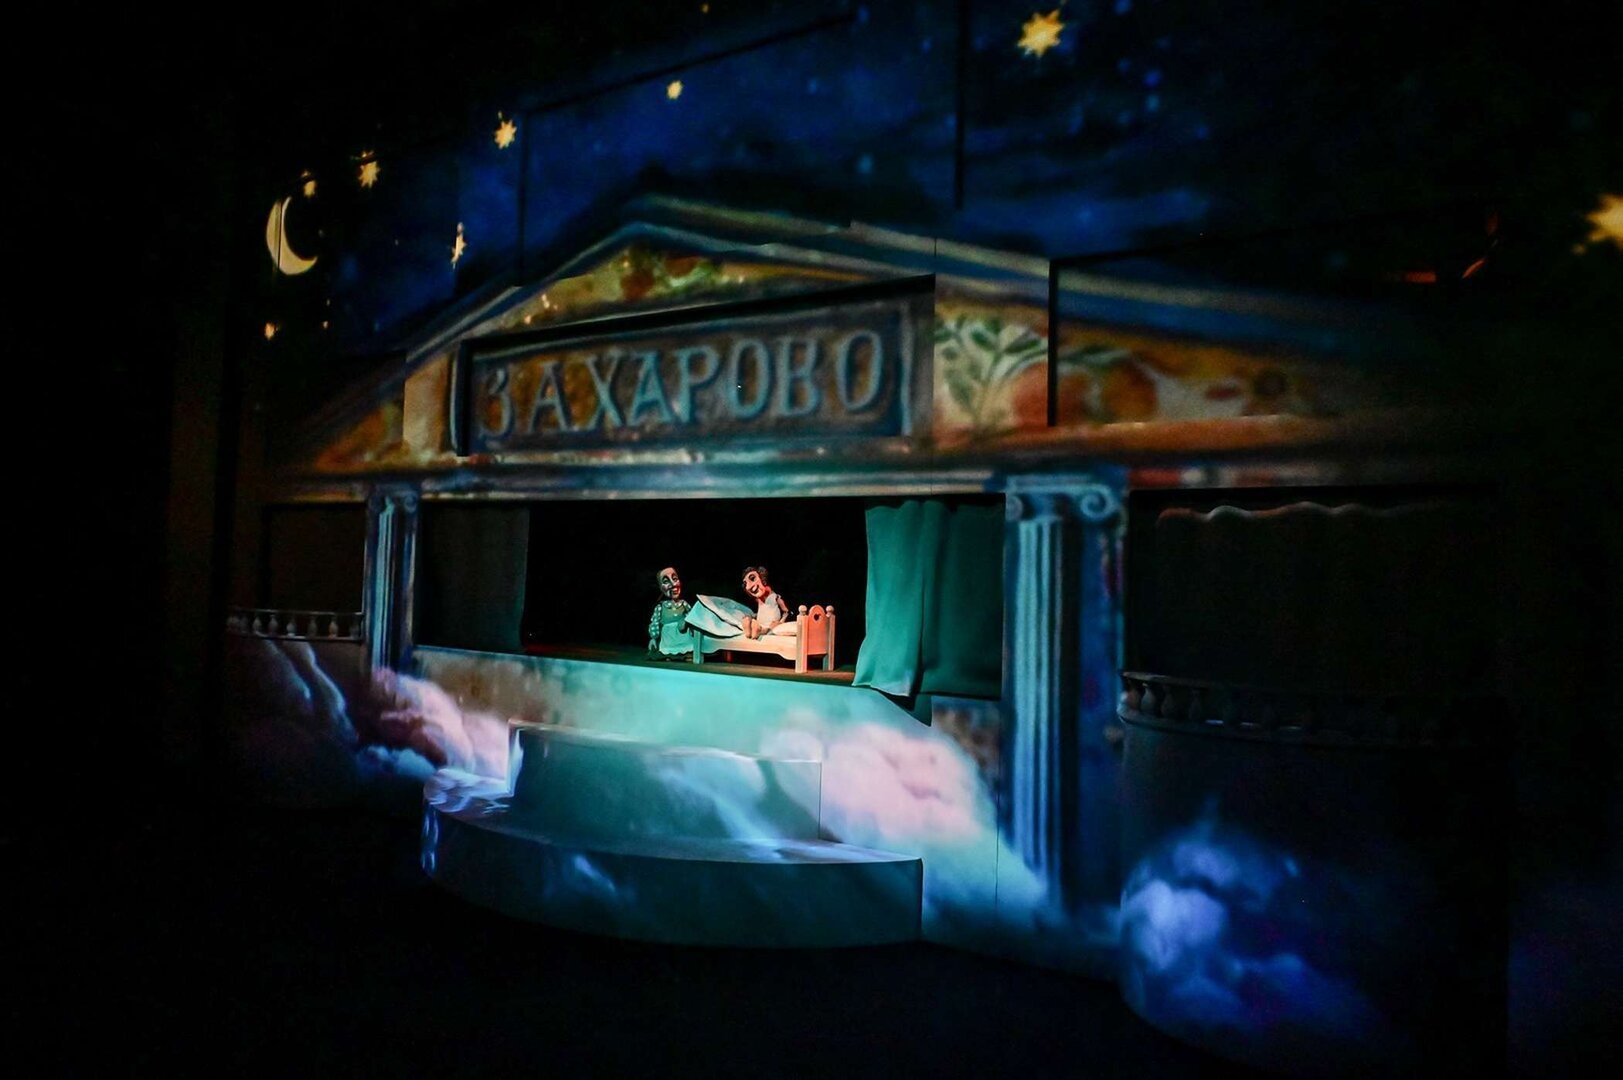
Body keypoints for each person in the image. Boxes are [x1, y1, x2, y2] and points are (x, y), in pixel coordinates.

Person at [646, 566, 694, 658]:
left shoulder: (684, 604)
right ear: (661, 587)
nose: (673, 584)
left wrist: (686, 622)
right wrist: (653, 638)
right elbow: (655, 623)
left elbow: (693, 618)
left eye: (675, 579)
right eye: (666, 581)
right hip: (667, 641)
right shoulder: (661, 607)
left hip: (683, 639)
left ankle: (685, 654)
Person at [739, 566, 792, 640]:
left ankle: (757, 630)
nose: (748, 587)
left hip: (770, 626)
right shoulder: (758, 600)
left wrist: (781, 622)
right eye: (745, 584)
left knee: (764, 629)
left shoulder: (775, 597)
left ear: (762, 578)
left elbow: (786, 612)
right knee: (750, 621)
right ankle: (749, 628)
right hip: (760, 623)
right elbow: (762, 611)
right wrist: (753, 616)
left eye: (752, 578)